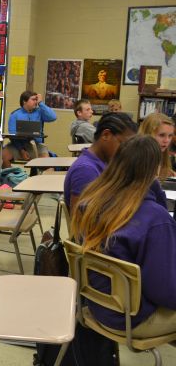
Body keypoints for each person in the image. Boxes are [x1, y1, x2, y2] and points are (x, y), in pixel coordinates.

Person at [71, 135, 176, 337]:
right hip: (131, 319)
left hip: (97, 304)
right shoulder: (155, 219)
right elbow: (163, 292)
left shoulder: (91, 201)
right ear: (154, 170)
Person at [64, 112, 138, 210]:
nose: (125, 150)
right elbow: (79, 221)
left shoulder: (104, 161)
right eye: (122, 144)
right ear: (106, 135)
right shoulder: (86, 170)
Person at [2, 91, 57, 168]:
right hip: (18, 145)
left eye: (36, 99)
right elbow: (12, 135)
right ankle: (12, 177)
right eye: (33, 99)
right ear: (24, 101)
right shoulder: (15, 114)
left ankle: (39, 178)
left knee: (47, 164)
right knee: (3, 157)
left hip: (36, 145)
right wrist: (21, 150)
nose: (36, 102)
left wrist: (41, 103)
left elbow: (53, 117)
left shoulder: (40, 112)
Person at [139, 113, 175, 180]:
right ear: (147, 134)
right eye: (161, 135)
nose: (166, 140)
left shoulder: (162, 156)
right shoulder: (136, 158)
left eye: (170, 136)